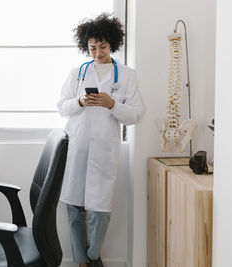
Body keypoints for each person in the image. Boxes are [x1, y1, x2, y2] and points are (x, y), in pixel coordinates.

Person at [57, 13, 144, 267]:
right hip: (78, 147)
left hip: (105, 151)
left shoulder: (126, 75)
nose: (97, 52)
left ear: (112, 44)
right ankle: (80, 260)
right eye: (92, 47)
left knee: (100, 211)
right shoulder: (77, 73)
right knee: (74, 208)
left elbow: (136, 114)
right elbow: (62, 107)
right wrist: (80, 102)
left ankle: (94, 256)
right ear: (86, 45)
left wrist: (112, 103)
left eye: (102, 47)